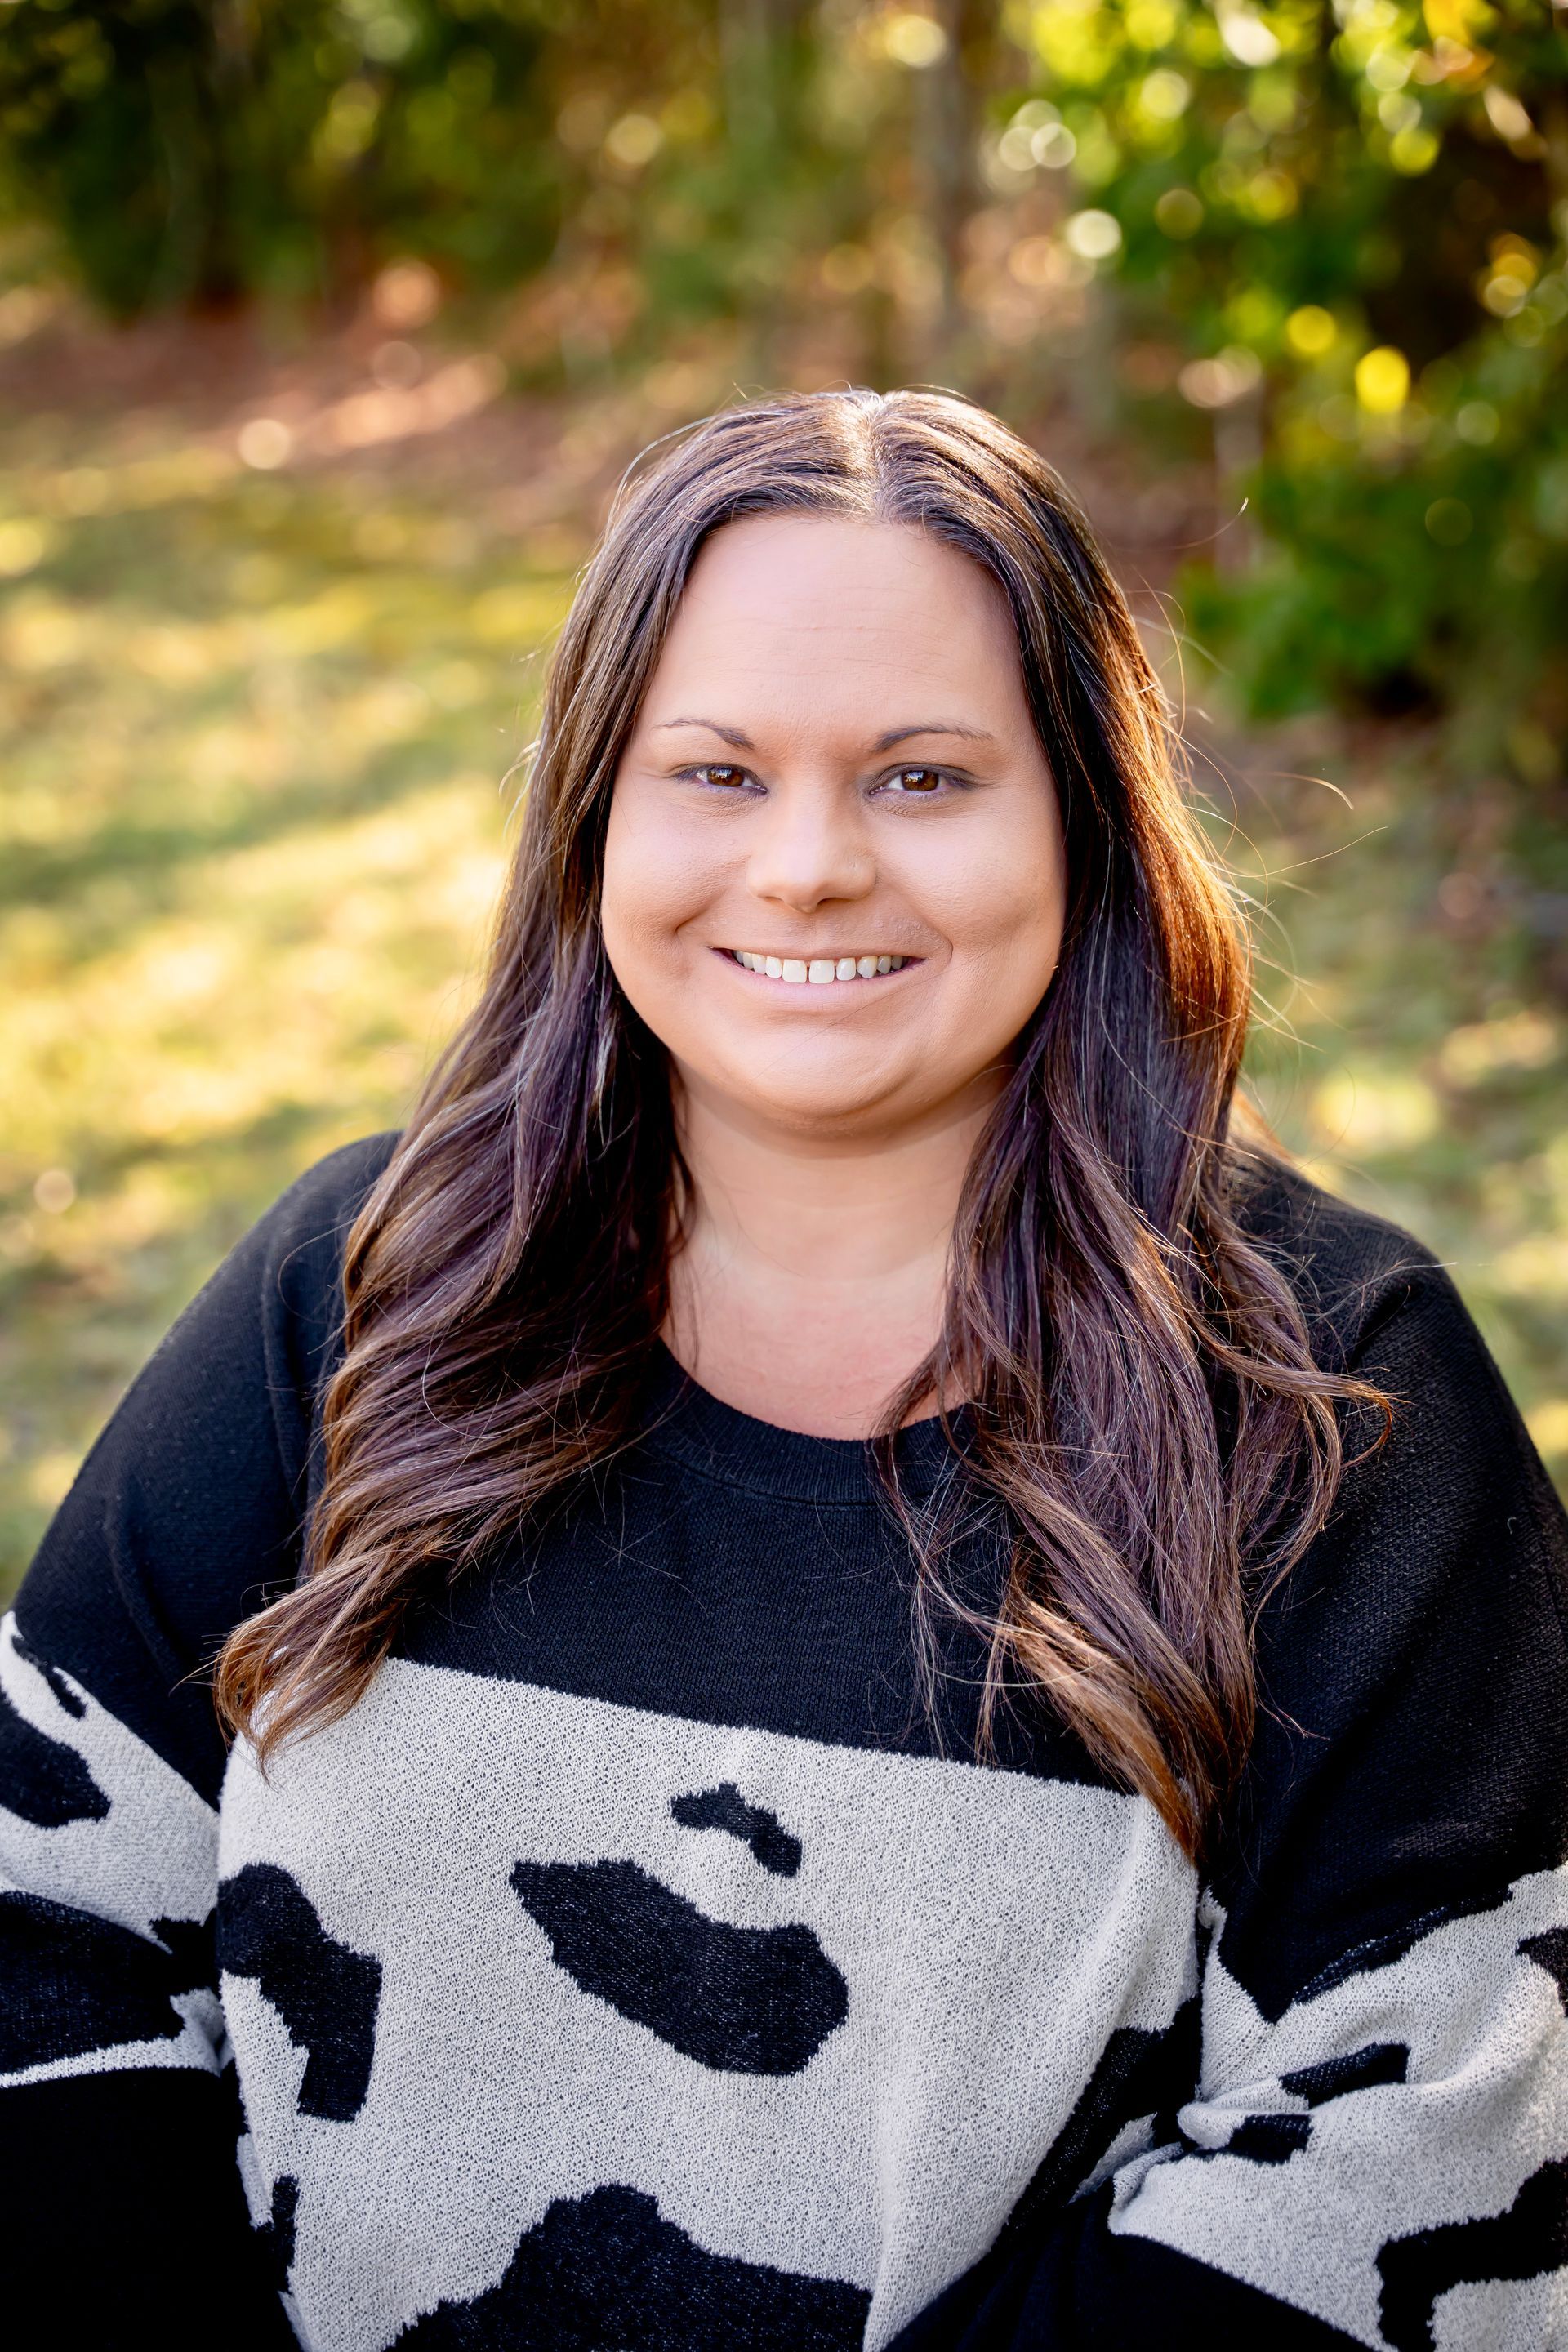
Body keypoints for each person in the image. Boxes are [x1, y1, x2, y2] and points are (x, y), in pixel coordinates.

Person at [2, 389, 1564, 2352]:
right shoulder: (365, 1289)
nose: (809, 866)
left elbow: (1436, 2147)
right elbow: (35, 1924)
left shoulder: (1325, 1396)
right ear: (596, 817)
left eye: (922, 778)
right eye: (717, 773)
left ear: (1081, 818)